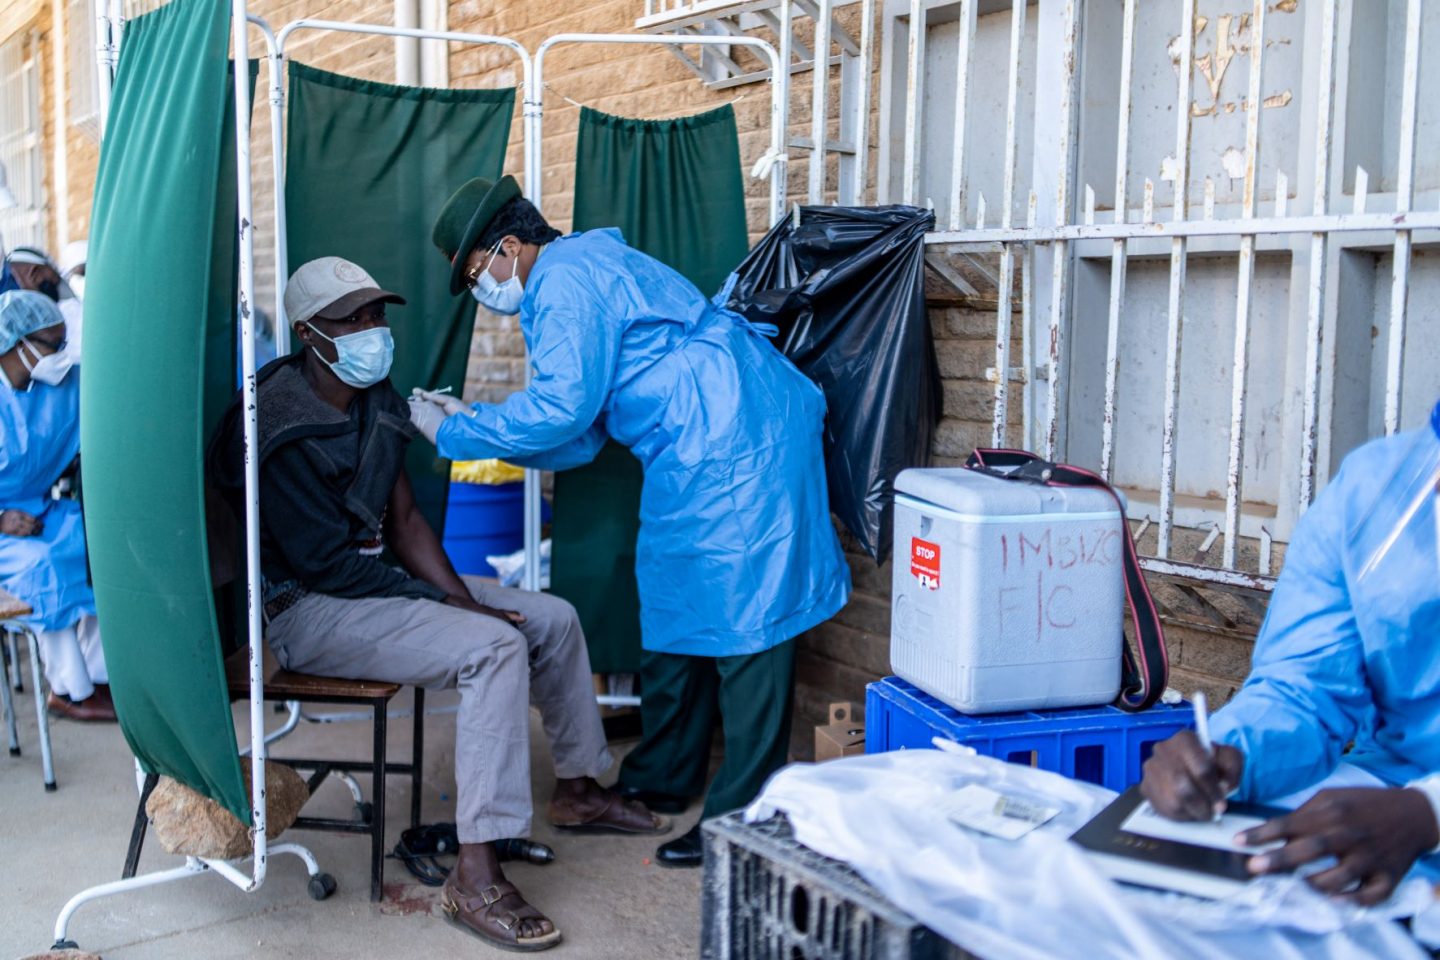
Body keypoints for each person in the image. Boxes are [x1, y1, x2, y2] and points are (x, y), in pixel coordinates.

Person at [208, 256, 668, 952]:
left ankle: (577, 787)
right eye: (351, 319)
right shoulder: (274, 423)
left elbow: (407, 524)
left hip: (372, 580)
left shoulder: (372, 393)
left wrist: (460, 597)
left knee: (552, 618)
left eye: (375, 314)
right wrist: (456, 609)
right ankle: (474, 871)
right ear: (308, 334)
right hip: (305, 607)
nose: (372, 330)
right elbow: (325, 566)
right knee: (494, 646)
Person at [413, 176, 852, 868]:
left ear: (507, 247)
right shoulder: (572, 273)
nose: (482, 291)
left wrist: (459, 433)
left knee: (750, 615)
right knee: (675, 602)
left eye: (476, 275)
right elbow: (581, 434)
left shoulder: (565, 280)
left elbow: (559, 409)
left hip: (738, 435)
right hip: (690, 440)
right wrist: (474, 428)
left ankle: (742, 820)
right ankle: (663, 775)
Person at [1140, 399, 1440, 906]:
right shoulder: (1374, 491)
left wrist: (1428, 812)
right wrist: (1229, 754)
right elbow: (1306, 685)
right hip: (1392, 779)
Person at [0, 290, 113, 722]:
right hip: (6, 529)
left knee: (98, 545)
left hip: (40, 511)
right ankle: (68, 689)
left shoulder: (59, 387)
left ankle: (100, 676)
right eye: (53, 345)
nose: (62, 355)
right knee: (44, 565)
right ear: (17, 344)